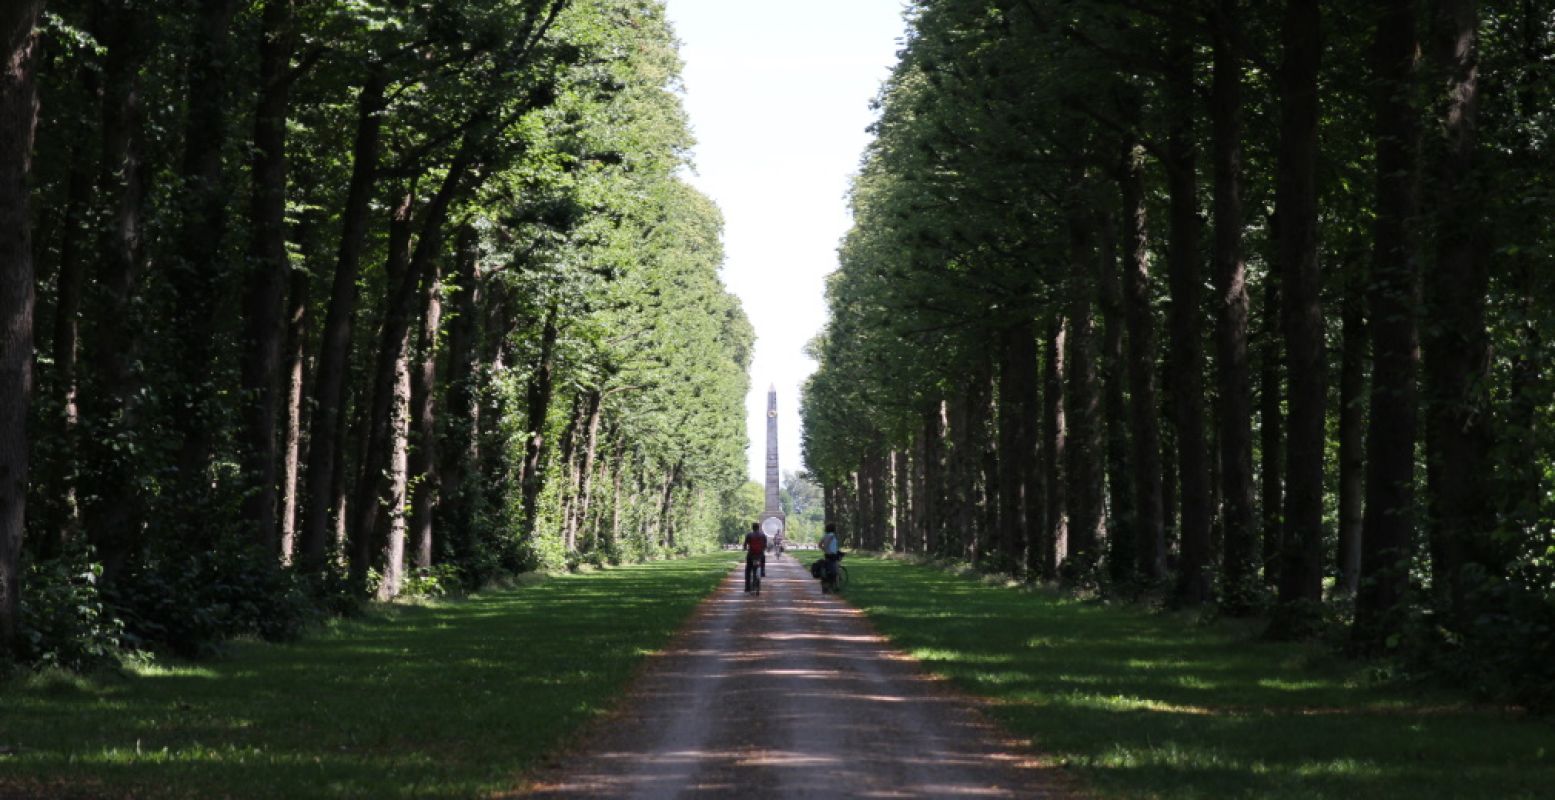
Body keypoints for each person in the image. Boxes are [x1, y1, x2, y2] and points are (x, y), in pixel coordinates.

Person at [743, 521, 768, 592]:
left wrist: (744, 548)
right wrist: (763, 549)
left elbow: (745, 544)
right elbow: (765, 545)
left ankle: (747, 587)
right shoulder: (763, 535)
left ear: (752, 528)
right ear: (758, 527)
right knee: (763, 560)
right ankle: (762, 571)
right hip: (760, 554)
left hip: (751, 555)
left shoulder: (749, 535)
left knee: (748, 570)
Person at [818, 523, 841, 593]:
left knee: (829, 570)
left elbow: (819, 544)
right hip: (833, 555)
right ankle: (835, 587)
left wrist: (824, 549)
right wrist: (826, 548)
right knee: (835, 570)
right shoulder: (832, 536)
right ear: (833, 529)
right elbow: (828, 544)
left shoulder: (825, 536)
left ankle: (828, 587)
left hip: (827, 555)